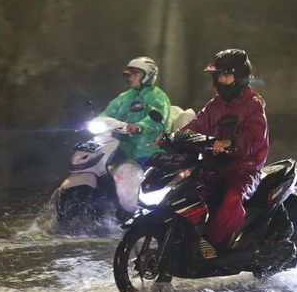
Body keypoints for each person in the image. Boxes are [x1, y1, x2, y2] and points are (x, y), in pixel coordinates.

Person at [182, 49, 268, 259]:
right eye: (218, 75)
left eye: (226, 75)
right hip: (213, 165)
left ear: (240, 78)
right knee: (186, 192)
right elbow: (197, 124)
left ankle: (213, 243)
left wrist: (232, 142)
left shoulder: (253, 105)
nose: (221, 80)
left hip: (243, 167)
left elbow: (254, 136)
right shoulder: (215, 104)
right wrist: (175, 137)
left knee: (232, 197)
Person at [99, 56, 171, 166]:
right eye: (129, 75)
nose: (131, 78)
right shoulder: (125, 96)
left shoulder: (157, 96)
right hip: (123, 148)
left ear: (148, 75)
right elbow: (109, 112)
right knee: (101, 163)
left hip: (146, 151)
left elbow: (157, 118)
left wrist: (139, 126)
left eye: (135, 74)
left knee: (146, 181)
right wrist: (96, 121)